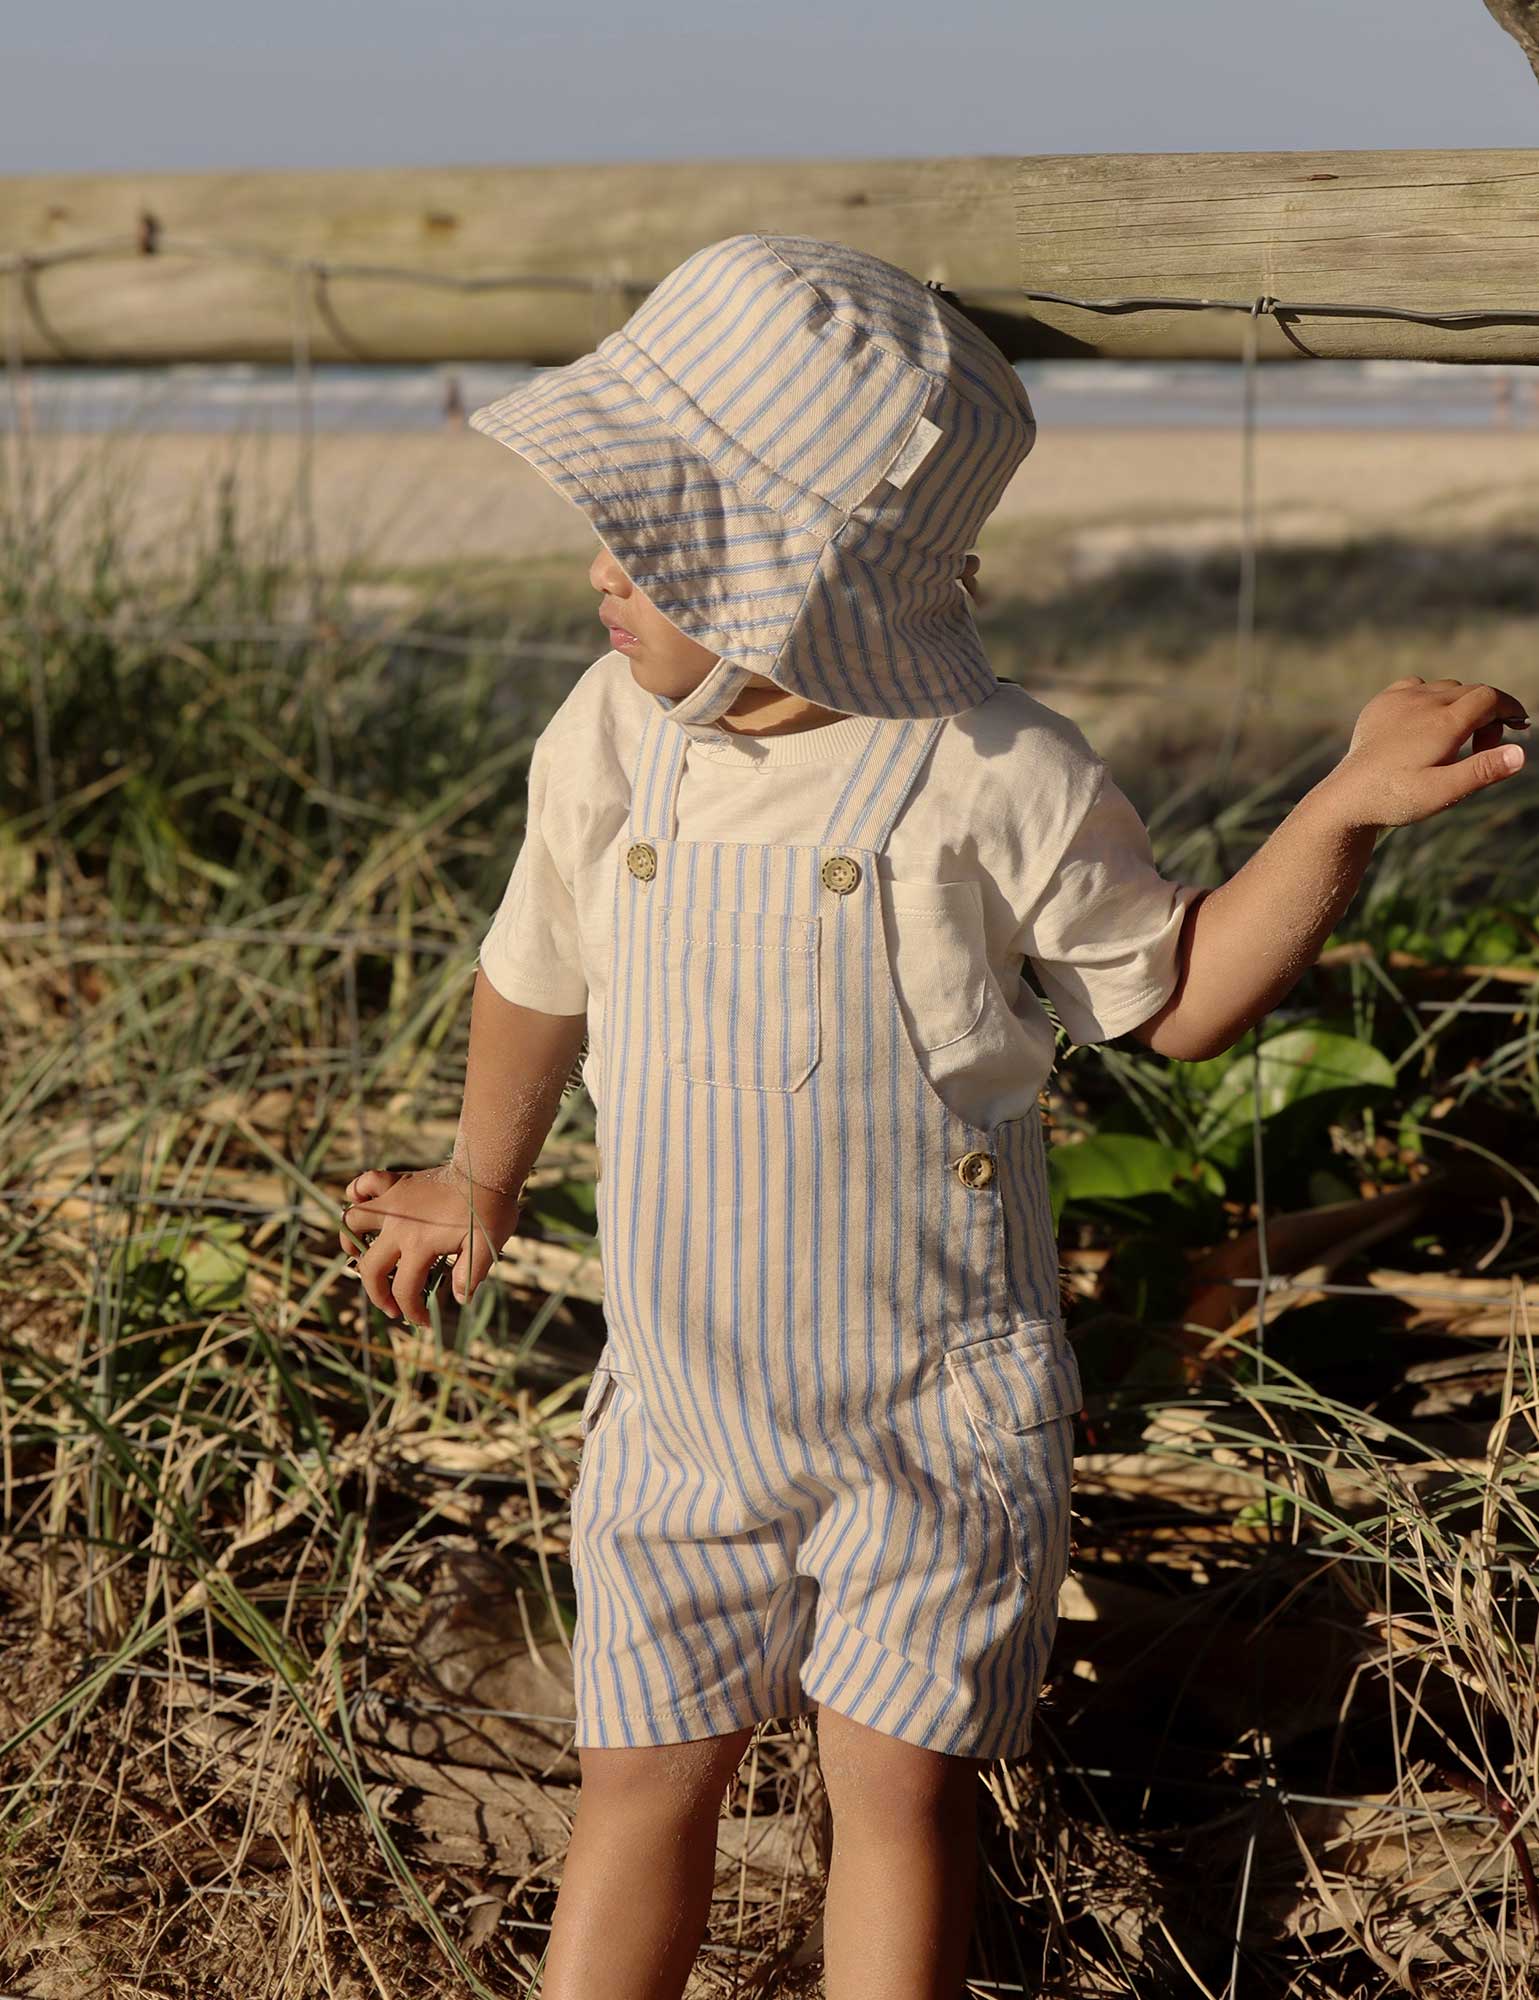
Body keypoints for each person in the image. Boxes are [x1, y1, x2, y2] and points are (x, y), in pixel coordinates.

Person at [337, 235, 1528, 1999]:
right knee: (637, 1778)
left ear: (799, 581)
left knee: (899, 1796)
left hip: (932, 1418)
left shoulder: (997, 769)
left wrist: (1341, 808)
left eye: (654, 544)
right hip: (679, 1402)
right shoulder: (614, 731)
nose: (602, 570)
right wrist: (475, 1174)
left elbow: (1180, 998)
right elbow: (539, 970)